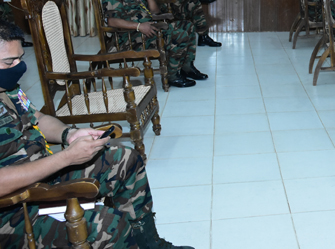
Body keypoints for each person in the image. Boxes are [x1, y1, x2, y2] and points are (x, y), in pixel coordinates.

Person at [0, 19, 193, 249]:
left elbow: (38, 119)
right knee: (108, 226)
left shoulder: (8, 90)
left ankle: (150, 244)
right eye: (9, 62)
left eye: (20, 58)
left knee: (125, 159)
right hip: (14, 209)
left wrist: (68, 134)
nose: (19, 66)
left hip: (42, 174)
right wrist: (65, 158)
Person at [103, 0, 207, 88]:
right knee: (179, 35)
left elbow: (155, 11)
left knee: (188, 26)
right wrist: (139, 26)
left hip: (148, 31)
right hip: (132, 38)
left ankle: (187, 67)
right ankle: (172, 75)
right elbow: (112, 21)